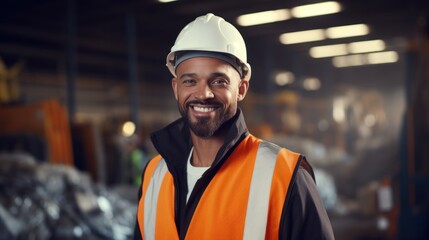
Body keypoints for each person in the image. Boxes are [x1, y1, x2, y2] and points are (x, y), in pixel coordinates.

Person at [134, 13, 334, 240]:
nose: (203, 94)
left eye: (218, 81)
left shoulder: (285, 176)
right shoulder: (154, 175)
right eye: (190, 81)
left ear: (241, 89)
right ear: (176, 88)